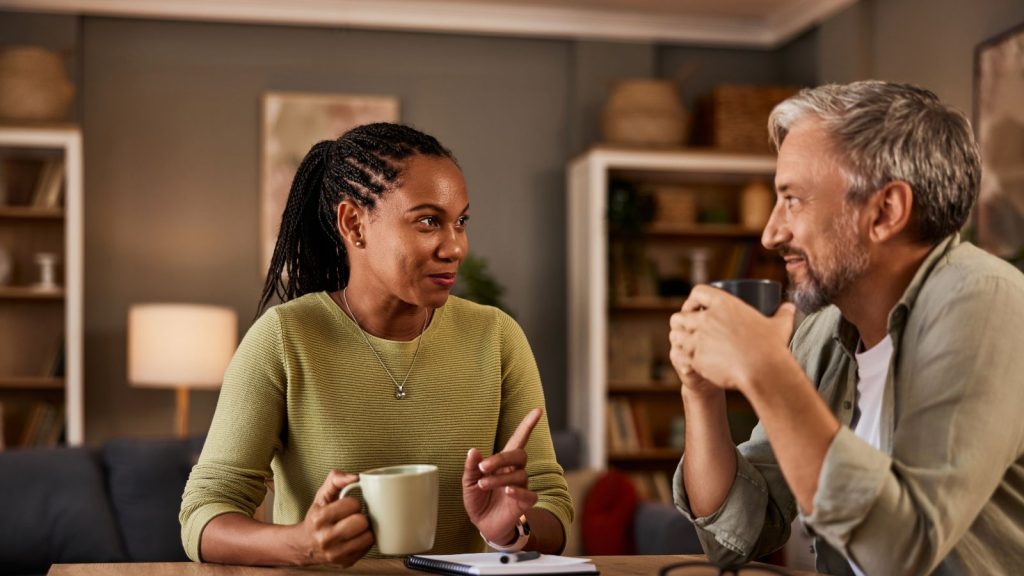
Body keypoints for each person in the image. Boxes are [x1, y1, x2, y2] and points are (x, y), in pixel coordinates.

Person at [668, 81, 1024, 575]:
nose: (771, 233)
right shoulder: (825, 333)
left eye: (792, 199)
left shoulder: (986, 303)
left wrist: (767, 372)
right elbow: (737, 535)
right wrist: (701, 392)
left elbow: (904, 549)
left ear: (885, 211)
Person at [180, 123, 571, 567]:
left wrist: (512, 531)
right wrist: (300, 544)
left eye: (460, 221)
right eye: (428, 221)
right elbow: (203, 514)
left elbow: (552, 504)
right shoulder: (285, 339)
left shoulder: (496, 336)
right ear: (354, 224)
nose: (456, 246)